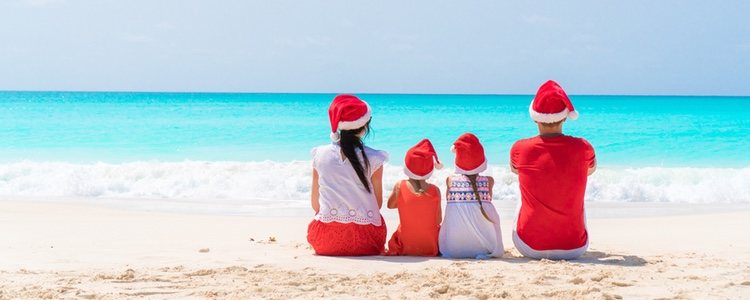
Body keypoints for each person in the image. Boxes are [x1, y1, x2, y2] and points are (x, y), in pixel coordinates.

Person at [510, 80, 596, 260]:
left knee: (524, 189)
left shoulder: (519, 148)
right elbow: (590, 170)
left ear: (534, 117)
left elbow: (515, 170)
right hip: (575, 247)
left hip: (529, 246)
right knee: (574, 186)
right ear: (564, 117)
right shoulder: (583, 147)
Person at [307, 94, 389, 256]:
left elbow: (315, 205)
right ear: (364, 127)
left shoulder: (320, 155)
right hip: (367, 242)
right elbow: (377, 204)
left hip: (325, 241)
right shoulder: (374, 158)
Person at [439, 133, 504, 259]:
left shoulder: (450, 180)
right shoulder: (489, 181)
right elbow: (487, 200)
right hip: (485, 248)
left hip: (452, 249)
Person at [386, 139, 442, 256]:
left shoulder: (399, 186)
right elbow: (438, 220)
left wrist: (406, 202)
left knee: (399, 233)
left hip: (406, 245)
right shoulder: (435, 190)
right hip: (430, 246)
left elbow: (390, 206)